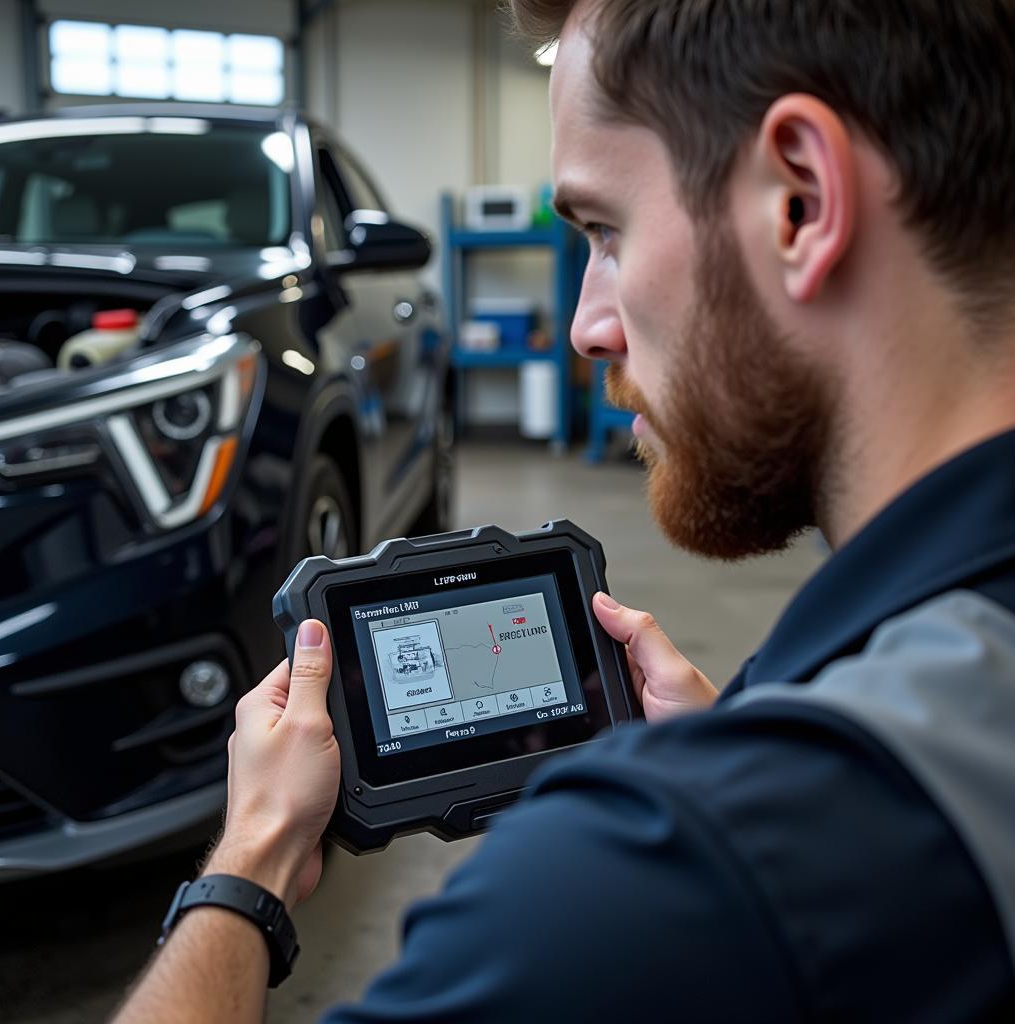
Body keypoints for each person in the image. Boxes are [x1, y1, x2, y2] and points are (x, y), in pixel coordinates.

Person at [114, 0, 1015, 1019]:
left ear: (798, 202)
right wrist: (744, 747)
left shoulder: (658, 880)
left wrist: (248, 868)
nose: (586, 326)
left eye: (604, 230)